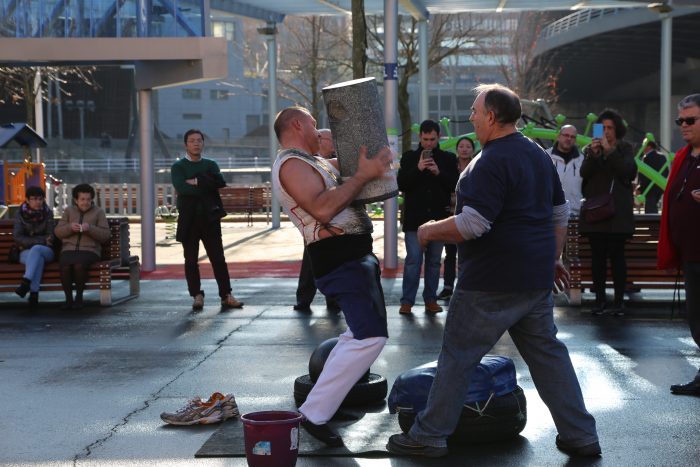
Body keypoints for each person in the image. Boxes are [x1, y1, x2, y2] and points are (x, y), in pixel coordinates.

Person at [386, 84, 600, 458]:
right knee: (549, 357)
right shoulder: (538, 155)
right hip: (533, 280)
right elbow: (559, 212)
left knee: (458, 357)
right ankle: (581, 435)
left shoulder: (488, 162)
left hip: (489, 281)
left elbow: (473, 224)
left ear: (491, 117)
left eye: (474, 111)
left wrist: (428, 229)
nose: (470, 118)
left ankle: (430, 434)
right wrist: (552, 257)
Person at [272, 106, 391, 446]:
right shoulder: (292, 164)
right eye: (312, 123)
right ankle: (313, 414)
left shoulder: (315, 160)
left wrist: (374, 160)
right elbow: (323, 208)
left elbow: (359, 167)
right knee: (370, 337)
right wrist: (362, 176)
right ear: (297, 124)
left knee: (363, 335)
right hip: (338, 259)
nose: (318, 129)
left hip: (354, 255)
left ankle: (316, 410)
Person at [171, 129, 243, 311]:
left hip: (210, 217)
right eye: (192, 141)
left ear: (203, 143)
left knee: (218, 258)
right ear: (186, 144)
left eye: (199, 140)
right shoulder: (178, 167)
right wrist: (204, 184)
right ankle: (197, 295)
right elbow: (181, 188)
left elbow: (219, 182)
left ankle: (226, 295)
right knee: (190, 260)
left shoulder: (211, 164)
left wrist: (195, 182)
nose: (196, 143)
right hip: (188, 218)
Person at [658, 94, 700, 396]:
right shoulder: (684, 156)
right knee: (695, 318)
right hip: (691, 254)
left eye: (690, 120)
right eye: (680, 121)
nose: (683, 125)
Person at [580, 109, 638, 316]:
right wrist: (595, 155)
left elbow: (628, 172)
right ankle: (600, 300)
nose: (606, 132)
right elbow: (584, 173)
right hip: (596, 213)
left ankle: (619, 301)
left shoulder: (625, 148)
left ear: (617, 130)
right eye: (602, 128)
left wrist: (610, 152)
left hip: (618, 214)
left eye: (610, 128)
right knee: (598, 259)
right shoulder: (590, 150)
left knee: (617, 258)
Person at [398, 120, 459, 314]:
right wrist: (418, 168)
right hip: (414, 220)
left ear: (438, 137)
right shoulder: (409, 157)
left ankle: (430, 300)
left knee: (434, 261)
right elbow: (402, 184)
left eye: (432, 139)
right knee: (413, 260)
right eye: (425, 139)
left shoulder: (448, 158)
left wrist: (438, 173)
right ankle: (407, 301)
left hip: (438, 219)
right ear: (420, 137)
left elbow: (455, 185)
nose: (429, 144)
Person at [294, 128, 340, 313]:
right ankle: (304, 299)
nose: (335, 143)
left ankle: (333, 300)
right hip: (314, 218)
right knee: (311, 260)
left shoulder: (337, 162)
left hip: (335, 217)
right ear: (322, 140)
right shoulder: (309, 161)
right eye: (332, 139)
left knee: (334, 260)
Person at [54, 184, 110, 310]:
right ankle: (68, 299)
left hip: (90, 250)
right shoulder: (69, 211)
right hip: (69, 249)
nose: (86, 202)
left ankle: (79, 298)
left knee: (79, 265)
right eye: (82, 199)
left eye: (88, 199)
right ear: (76, 200)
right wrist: (69, 228)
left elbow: (105, 235)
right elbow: (58, 232)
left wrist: (90, 229)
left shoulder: (98, 212)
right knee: (65, 266)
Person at [438, 136, 476, 301]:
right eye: (461, 146)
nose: (464, 149)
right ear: (457, 149)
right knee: (450, 252)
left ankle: (467, 285)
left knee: (469, 252)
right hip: (451, 213)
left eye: (468, 146)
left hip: (472, 214)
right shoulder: (450, 166)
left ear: (473, 150)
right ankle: (447, 287)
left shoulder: (479, 165)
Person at [13, 186, 57, 307]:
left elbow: (51, 236)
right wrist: (41, 240)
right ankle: (33, 294)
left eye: (40, 199)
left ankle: (26, 282)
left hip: (47, 251)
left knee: (37, 250)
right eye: (34, 199)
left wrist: (34, 242)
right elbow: (17, 237)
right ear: (27, 200)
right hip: (25, 252)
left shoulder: (48, 213)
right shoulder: (20, 214)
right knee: (38, 259)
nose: (38, 202)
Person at [547, 124, 583, 216]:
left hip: (575, 214)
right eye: (566, 135)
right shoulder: (545, 157)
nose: (569, 139)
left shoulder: (582, 161)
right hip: (549, 213)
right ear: (558, 136)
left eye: (572, 137)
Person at [637, 141, 668, 214]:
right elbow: (666, 171)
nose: (642, 148)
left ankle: (653, 224)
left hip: (649, 188)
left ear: (649, 146)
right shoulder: (662, 156)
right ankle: (655, 223)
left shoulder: (646, 158)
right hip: (659, 187)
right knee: (654, 207)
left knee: (650, 210)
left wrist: (640, 188)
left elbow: (643, 175)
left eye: (643, 145)